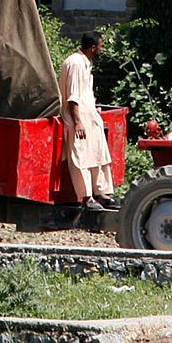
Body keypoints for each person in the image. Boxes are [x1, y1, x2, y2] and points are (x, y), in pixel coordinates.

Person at [58, 32, 118, 211]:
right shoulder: (75, 63)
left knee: (98, 153)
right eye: (101, 46)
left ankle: (101, 193)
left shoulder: (86, 63)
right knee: (81, 156)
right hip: (77, 118)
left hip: (89, 115)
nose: (102, 49)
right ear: (93, 47)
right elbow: (73, 97)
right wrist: (77, 122)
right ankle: (87, 197)